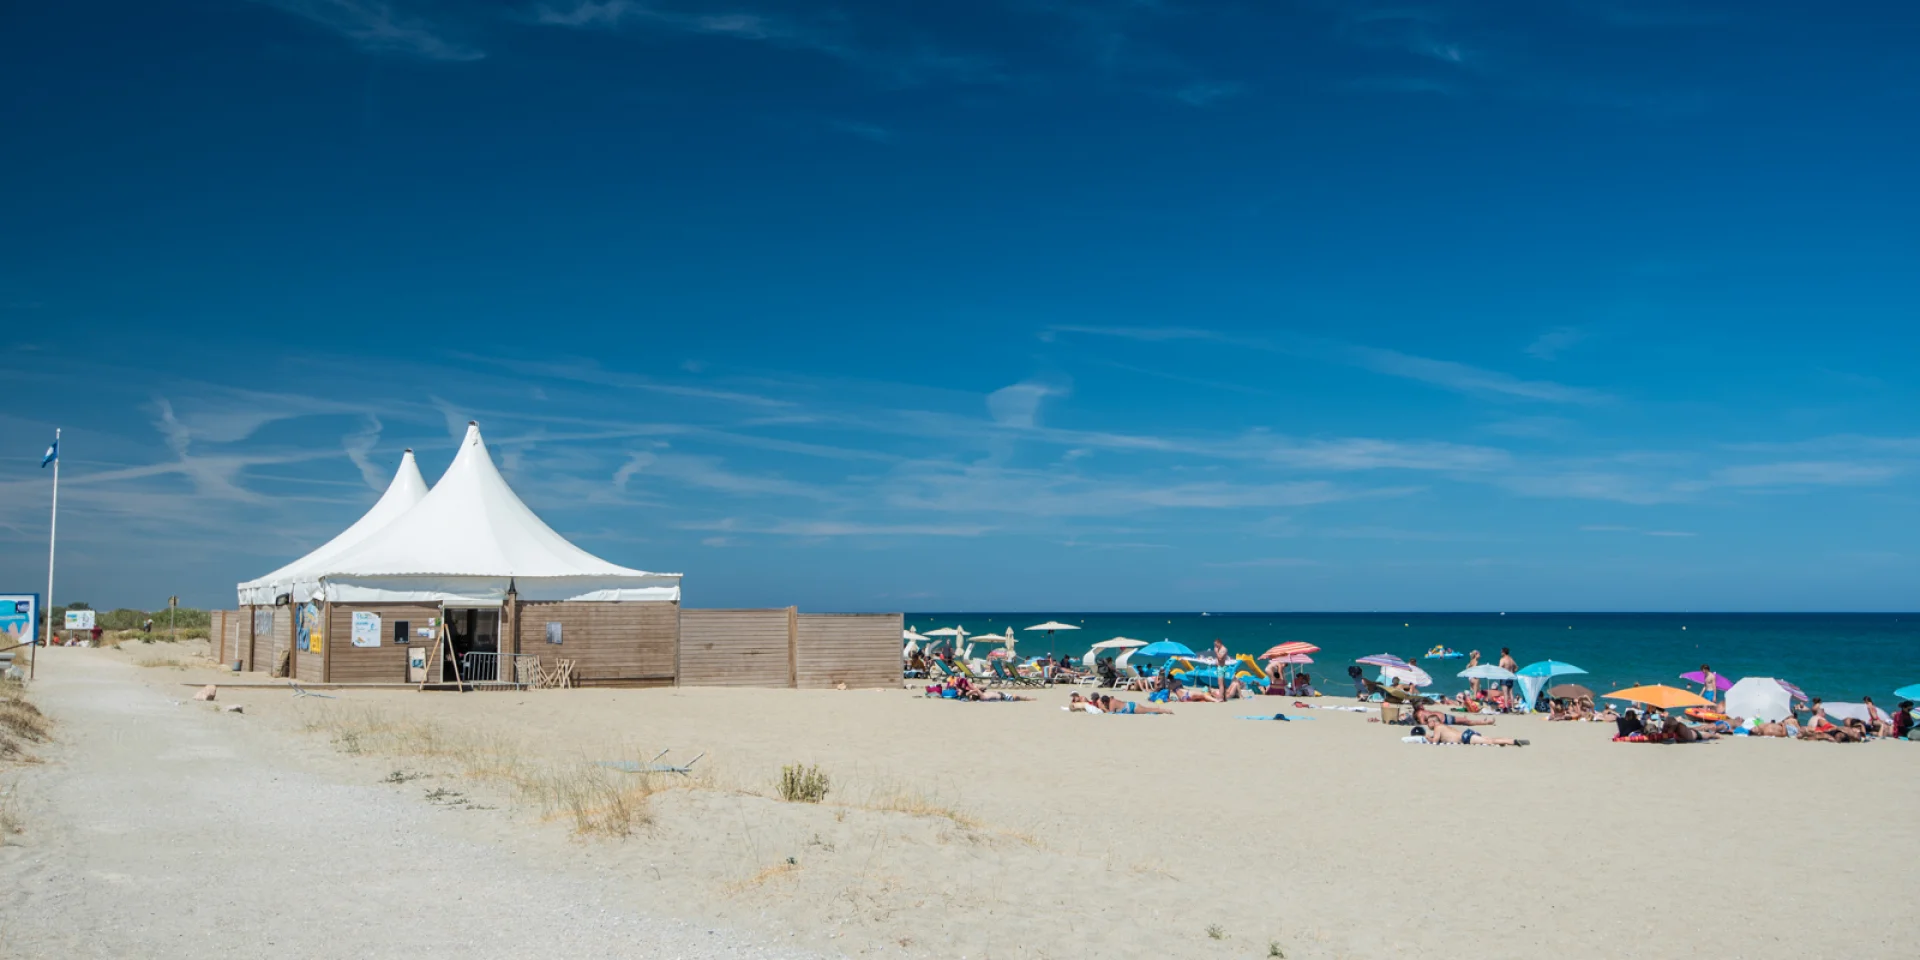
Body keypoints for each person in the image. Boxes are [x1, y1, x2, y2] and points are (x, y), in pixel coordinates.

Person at [1411, 724, 1527, 747]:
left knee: (1490, 741)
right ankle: (1512, 740)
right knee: (1489, 739)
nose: (1427, 724)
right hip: (1467, 734)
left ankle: (1513, 742)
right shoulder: (1443, 726)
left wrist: (1427, 737)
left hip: (1465, 738)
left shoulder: (1437, 728)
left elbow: (1434, 741)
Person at [1414, 706, 1495, 728]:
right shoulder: (1420, 714)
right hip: (1445, 720)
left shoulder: (1423, 711)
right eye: (1421, 704)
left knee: (1465, 721)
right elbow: (1422, 723)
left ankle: (1483, 721)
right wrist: (1433, 723)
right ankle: (1486, 722)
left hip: (1446, 717)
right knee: (1467, 722)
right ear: (1418, 707)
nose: (1422, 705)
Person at [1095, 693, 1173, 715]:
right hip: (1132, 704)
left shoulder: (1111, 703)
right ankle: (1162, 710)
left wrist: (1104, 709)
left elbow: (1111, 713)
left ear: (1105, 702)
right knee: (1148, 709)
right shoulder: (1112, 699)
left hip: (1132, 708)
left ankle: (1165, 710)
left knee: (1148, 710)